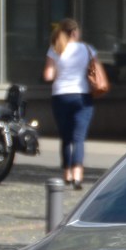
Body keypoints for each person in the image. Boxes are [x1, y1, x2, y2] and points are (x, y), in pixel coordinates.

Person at [43, 18, 96, 190]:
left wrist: (59, 71)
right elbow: (95, 72)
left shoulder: (55, 49)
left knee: (66, 138)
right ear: (75, 32)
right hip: (83, 96)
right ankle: (78, 176)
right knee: (78, 138)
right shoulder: (88, 49)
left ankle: (67, 173)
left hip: (61, 96)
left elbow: (48, 76)